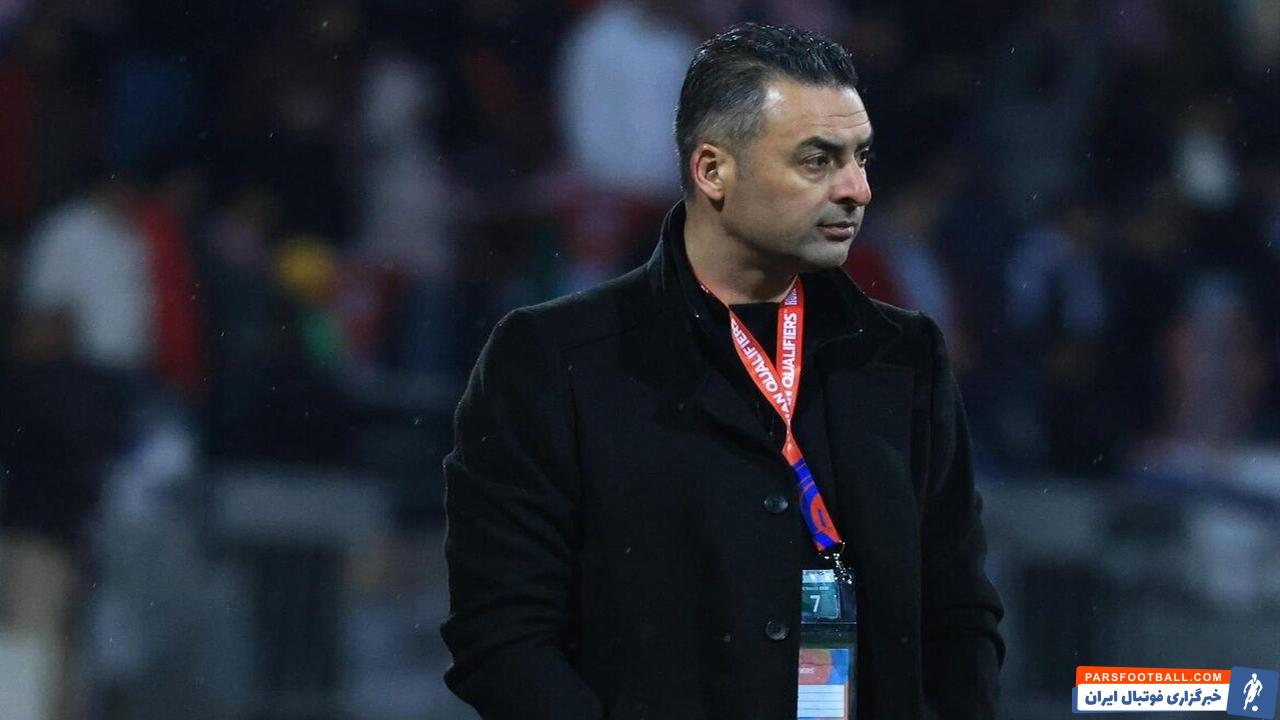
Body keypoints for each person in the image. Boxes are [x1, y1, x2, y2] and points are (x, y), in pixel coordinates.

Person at [441, 22, 1004, 719]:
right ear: (713, 172)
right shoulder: (554, 359)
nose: (857, 189)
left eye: (860, 157)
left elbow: (957, 613)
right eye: (817, 161)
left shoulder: (904, 358)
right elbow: (502, 635)